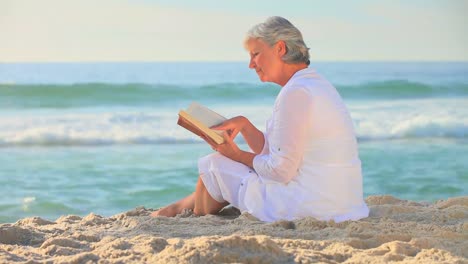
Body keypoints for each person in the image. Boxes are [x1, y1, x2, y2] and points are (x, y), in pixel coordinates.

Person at [152, 16, 369, 222]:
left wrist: (236, 154)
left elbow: (280, 171)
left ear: (280, 49)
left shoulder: (295, 93)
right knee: (221, 171)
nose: (251, 64)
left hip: (310, 206)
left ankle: (185, 213)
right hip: (342, 203)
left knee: (215, 165)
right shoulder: (315, 84)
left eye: (255, 54)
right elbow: (284, 151)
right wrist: (246, 127)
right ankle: (176, 209)